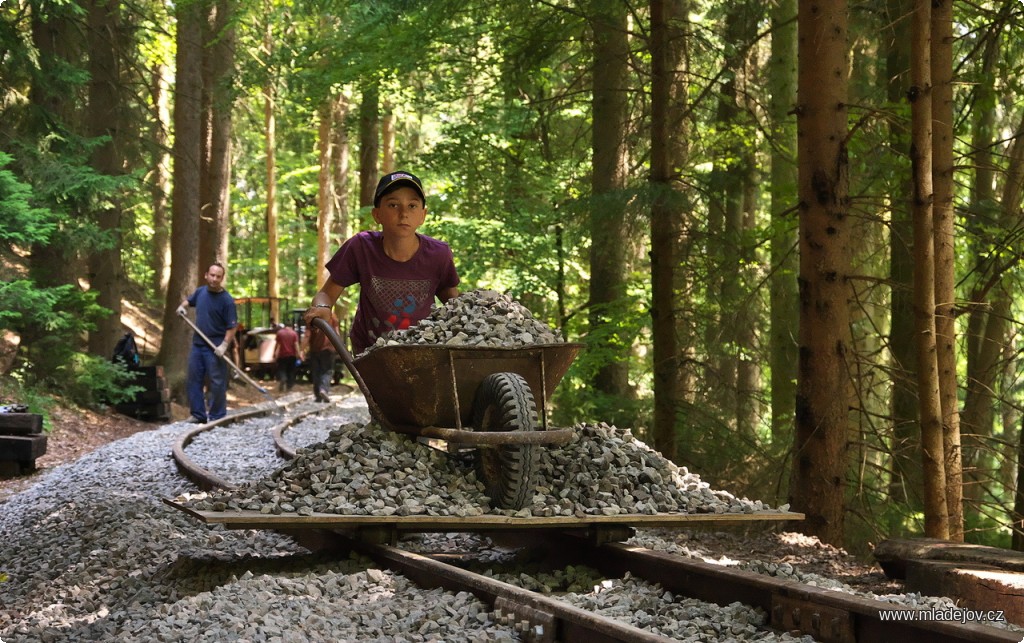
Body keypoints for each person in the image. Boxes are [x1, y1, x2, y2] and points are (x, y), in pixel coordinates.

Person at [304, 170, 460, 353]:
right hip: (370, 352)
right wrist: (323, 308)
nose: (403, 213)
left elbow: (455, 308)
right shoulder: (361, 247)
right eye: (393, 205)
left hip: (421, 352)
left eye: (412, 206)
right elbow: (326, 294)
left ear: (422, 215)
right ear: (377, 215)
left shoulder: (438, 254)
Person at [177, 261, 238, 424]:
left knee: (217, 381)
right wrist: (182, 307)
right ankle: (198, 414)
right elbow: (189, 301)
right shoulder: (201, 292)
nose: (214, 279)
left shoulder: (227, 301)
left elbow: (232, 326)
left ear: (222, 278)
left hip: (215, 345)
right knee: (194, 378)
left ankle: (217, 415)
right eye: (212, 275)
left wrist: (224, 345)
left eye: (218, 276)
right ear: (206, 275)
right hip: (198, 344)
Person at [307, 310, 339, 402]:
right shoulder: (332, 317)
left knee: (316, 372)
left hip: (315, 349)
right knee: (327, 371)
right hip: (328, 350)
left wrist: (301, 349)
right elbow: (336, 333)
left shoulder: (311, 317)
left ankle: (318, 396)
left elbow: (307, 335)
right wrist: (339, 348)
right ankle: (323, 390)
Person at [273, 322, 301, 392]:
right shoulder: (294, 333)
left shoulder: (280, 333)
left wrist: (275, 353)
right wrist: (299, 354)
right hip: (292, 356)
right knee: (291, 371)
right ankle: (289, 387)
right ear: (291, 326)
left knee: (282, 369)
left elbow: (277, 345)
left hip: (282, 355)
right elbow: (296, 345)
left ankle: (283, 378)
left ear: (285, 326)